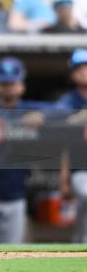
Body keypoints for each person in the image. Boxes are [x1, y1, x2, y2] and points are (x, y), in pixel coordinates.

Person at [0, 57, 49, 243]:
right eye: (4, 83)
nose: (8, 87)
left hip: (15, 194)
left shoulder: (29, 109)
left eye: (12, 83)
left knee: (12, 253)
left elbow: (61, 109)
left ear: (21, 85)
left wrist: (42, 116)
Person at [57, 49, 87, 243]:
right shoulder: (68, 102)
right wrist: (64, 179)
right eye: (79, 68)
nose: (84, 71)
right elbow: (63, 141)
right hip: (81, 170)